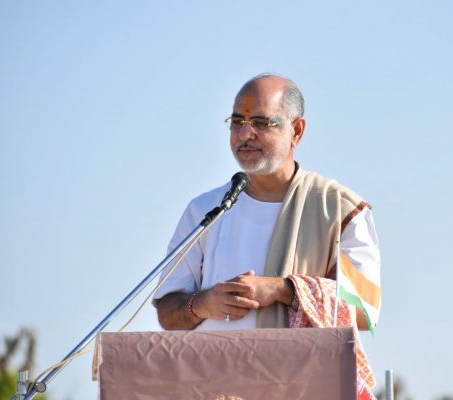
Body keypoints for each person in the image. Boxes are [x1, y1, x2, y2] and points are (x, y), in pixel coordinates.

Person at [153, 74, 381, 397]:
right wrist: (202, 304)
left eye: (261, 122)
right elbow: (166, 310)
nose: (246, 134)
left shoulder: (341, 210)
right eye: (237, 121)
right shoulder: (205, 211)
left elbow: (363, 309)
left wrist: (280, 290)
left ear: (296, 131)